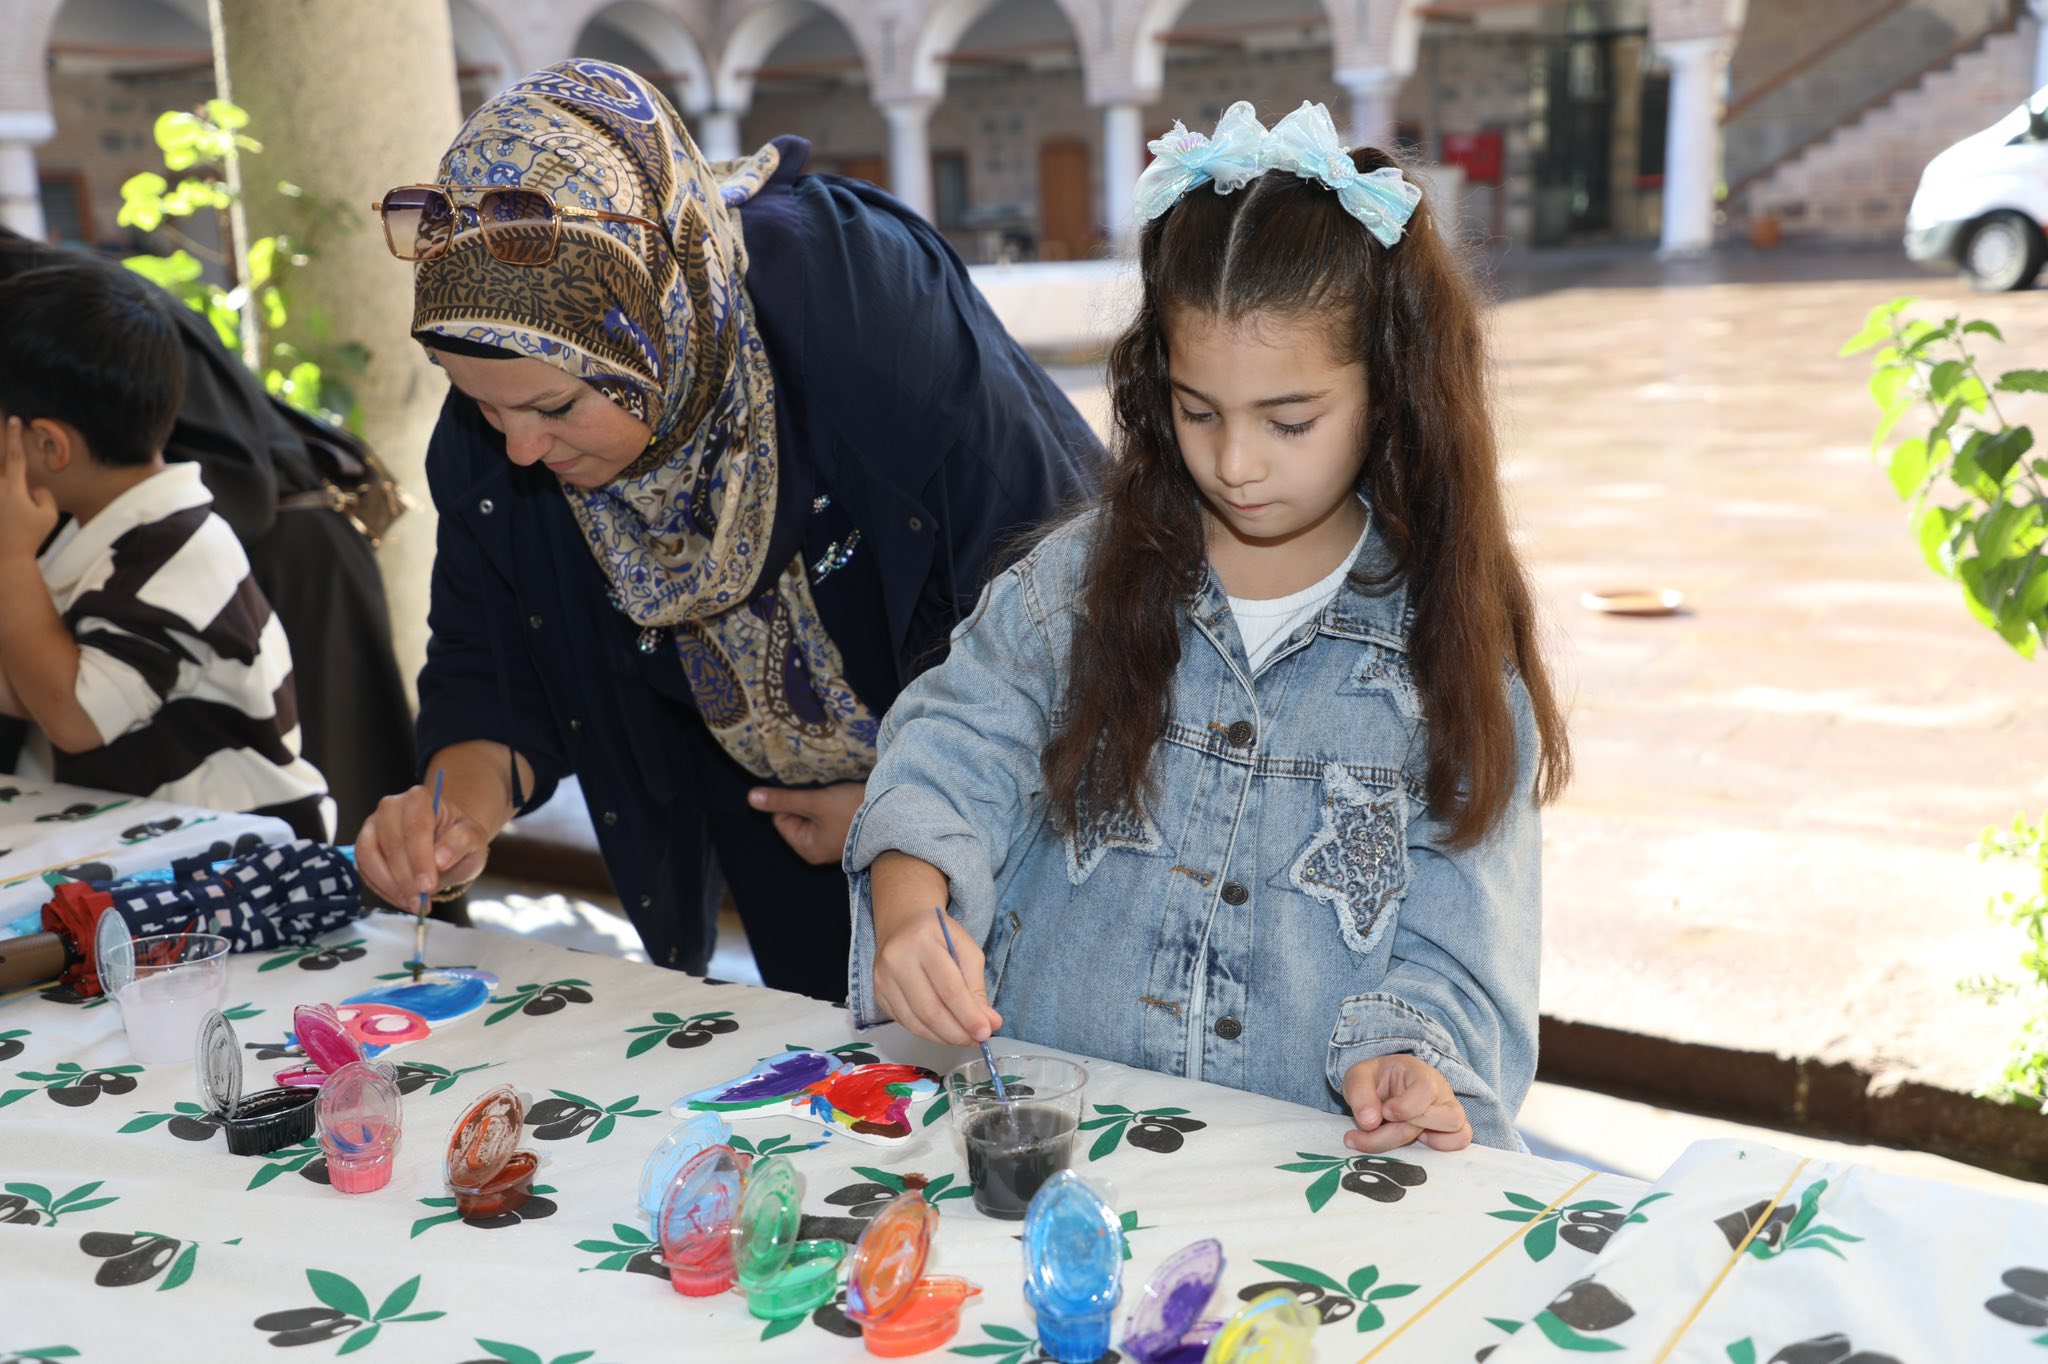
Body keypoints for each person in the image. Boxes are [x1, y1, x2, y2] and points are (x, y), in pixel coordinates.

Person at [847, 102, 1572, 1152]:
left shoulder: (1447, 652)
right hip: (1062, 1157)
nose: (1235, 461)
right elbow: (949, 752)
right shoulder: (1076, 587)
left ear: (1390, 391)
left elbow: (1461, 945)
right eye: (1197, 411)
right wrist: (913, 906)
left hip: (1294, 1184)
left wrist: (1409, 1058)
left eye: (1288, 421)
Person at [350, 61, 1101, 999]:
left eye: (554, 404)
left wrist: (896, 813)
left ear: (656, 323)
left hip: (1014, 815)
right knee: (847, 1107)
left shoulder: (862, 318)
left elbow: (1057, 611)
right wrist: (451, 812)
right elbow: (491, 672)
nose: (521, 449)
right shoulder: (494, 430)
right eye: (482, 407)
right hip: (780, 827)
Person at [0, 227, 417, 840]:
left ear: (48, 446)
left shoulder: (173, 554)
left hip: (231, 871)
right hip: (153, 848)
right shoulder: (101, 535)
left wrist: (10, 556)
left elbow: (73, 715)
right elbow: (30, 683)